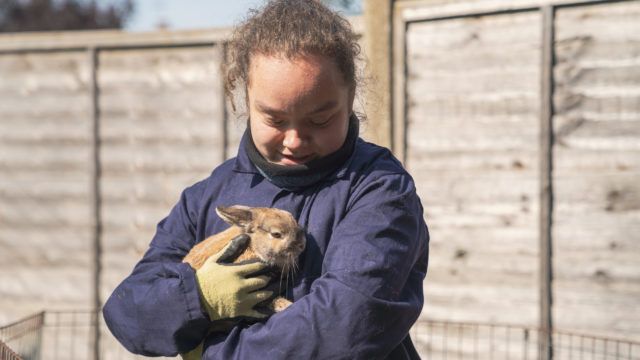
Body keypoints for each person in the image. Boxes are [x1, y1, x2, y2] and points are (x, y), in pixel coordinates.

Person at [102, 0, 429, 359]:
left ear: (350, 98)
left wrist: (212, 355)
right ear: (247, 100)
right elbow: (128, 310)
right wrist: (199, 299)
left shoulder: (379, 188)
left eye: (319, 121)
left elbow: (344, 326)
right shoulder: (207, 198)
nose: (294, 140)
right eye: (274, 120)